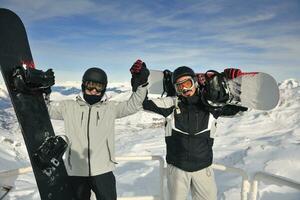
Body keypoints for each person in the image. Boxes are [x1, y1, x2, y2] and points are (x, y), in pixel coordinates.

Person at [43, 60, 149, 200]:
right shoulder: (68, 107)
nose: (94, 91)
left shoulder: (110, 108)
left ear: (104, 89)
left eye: (98, 87)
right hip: (76, 172)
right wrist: (44, 92)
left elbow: (134, 105)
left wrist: (141, 84)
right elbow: (45, 110)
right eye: (90, 86)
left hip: (103, 171)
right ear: (83, 85)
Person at [142, 66, 247, 200]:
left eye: (187, 83)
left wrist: (235, 83)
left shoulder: (211, 105)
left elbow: (239, 109)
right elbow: (142, 104)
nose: (185, 89)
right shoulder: (171, 104)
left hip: (203, 169)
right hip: (177, 169)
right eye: (180, 87)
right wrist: (140, 80)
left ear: (195, 82)